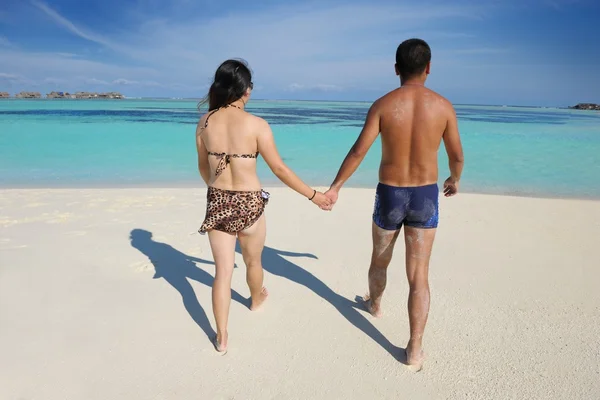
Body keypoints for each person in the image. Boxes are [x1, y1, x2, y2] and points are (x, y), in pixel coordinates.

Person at [324, 39, 464, 370]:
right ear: (429, 68)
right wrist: (454, 179)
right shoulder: (443, 107)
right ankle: (414, 348)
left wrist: (335, 187)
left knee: (380, 259)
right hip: (425, 196)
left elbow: (359, 151)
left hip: (390, 193)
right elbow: (456, 155)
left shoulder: (384, 105)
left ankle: (375, 304)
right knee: (419, 275)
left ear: (396, 68)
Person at [196, 59, 331, 354]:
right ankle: (256, 299)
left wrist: (218, 190)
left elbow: (204, 171)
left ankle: (221, 337)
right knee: (253, 262)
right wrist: (314, 196)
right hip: (250, 204)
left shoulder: (205, 122)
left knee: (222, 272)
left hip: (218, 201)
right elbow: (280, 170)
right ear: (246, 90)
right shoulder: (257, 125)